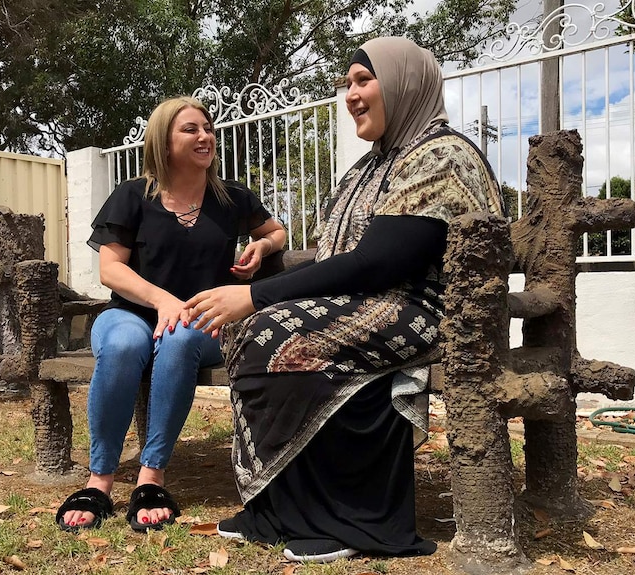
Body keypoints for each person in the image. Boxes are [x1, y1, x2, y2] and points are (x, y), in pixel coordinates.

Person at [185, 37, 506, 562]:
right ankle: (280, 506)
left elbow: (380, 262)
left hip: (424, 311)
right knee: (254, 330)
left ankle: (351, 519)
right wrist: (258, 294)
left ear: (403, 84)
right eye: (347, 84)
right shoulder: (369, 166)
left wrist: (256, 294)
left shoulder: (441, 157)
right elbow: (340, 258)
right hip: (365, 300)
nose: (351, 95)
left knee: (279, 335)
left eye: (363, 80)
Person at [56, 96, 286, 532]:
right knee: (124, 346)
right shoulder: (133, 195)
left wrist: (263, 245)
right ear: (163, 142)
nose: (205, 136)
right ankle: (99, 480)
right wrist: (162, 300)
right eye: (191, 129)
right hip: (132, 313)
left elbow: (276, 230)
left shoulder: (232, 196)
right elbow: (110, 269)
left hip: (200, 320)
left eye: (207, 128)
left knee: (179, 338)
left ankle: (151, 476)